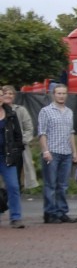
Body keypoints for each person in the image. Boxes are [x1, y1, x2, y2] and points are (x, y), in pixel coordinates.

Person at [37, 84, 77, 224]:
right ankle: (49, 213)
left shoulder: (69, 112)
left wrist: (74, 151)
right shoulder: (46, 111)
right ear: (53, 94)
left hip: (66, 153)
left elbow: (71, 133)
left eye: (64, 93)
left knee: (63, 185)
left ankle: (61, 212)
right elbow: (42, 133)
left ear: (67, 95)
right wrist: (45, 151)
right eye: (59, 93)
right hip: (52, 152)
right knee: (50, 185)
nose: (61, 96)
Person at [1, 86, 38, 191]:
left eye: (11, 93)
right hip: (2, 150)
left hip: (17, 151)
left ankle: (13, 202)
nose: (8, 95)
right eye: (5, 93)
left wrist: (20, 142)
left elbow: (29, 128)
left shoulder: (20, 110)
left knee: (15, 179)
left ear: (14, 96)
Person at [1, 92, 25, 228]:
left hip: (7, 156)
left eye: (0, 96)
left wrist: (17, 151)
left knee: (13, 186)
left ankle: (16, 217)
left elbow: (18, 135)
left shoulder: (10, 114)